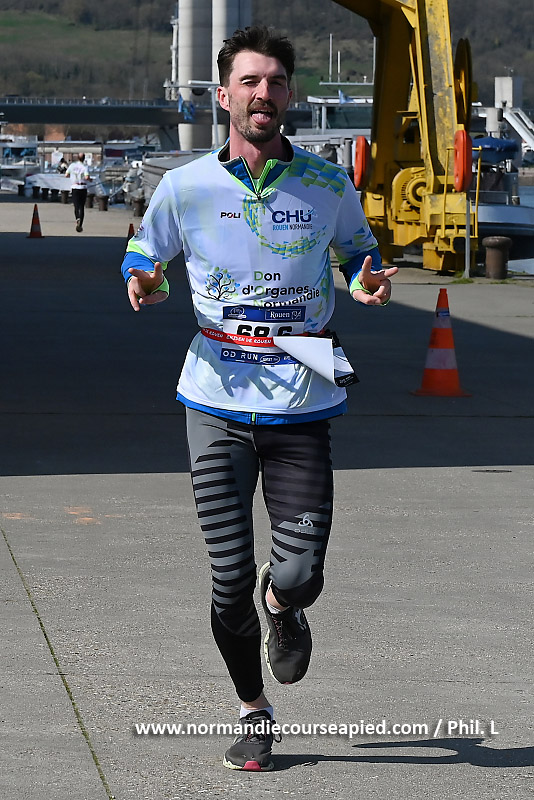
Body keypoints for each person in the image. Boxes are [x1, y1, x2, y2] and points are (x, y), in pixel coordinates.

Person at [121, 25, 397, 772]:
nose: (262, 93)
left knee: (299, 574)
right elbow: (146, 252)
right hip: (213, 396)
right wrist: (144, 279)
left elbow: (358, 253)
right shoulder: (186, 186)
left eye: (275, 81)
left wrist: (366, 280)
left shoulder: (326, 185)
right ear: (224, 96)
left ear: (289, 93)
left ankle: (283, 607)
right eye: (249, 81)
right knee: (227, 576)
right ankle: (253, 710)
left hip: (301, 397)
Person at [65, 153, 89, 232]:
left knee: (76, 206)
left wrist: (72, 177)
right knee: (82, 206)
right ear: (84, 159)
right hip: (83, 187)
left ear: (77, 158)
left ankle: (77, 218)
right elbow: (86, 177)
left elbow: (66, 175)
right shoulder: (85, 166)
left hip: (75, 187)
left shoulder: (72, 165)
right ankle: (80, 224)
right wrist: (90, 179)